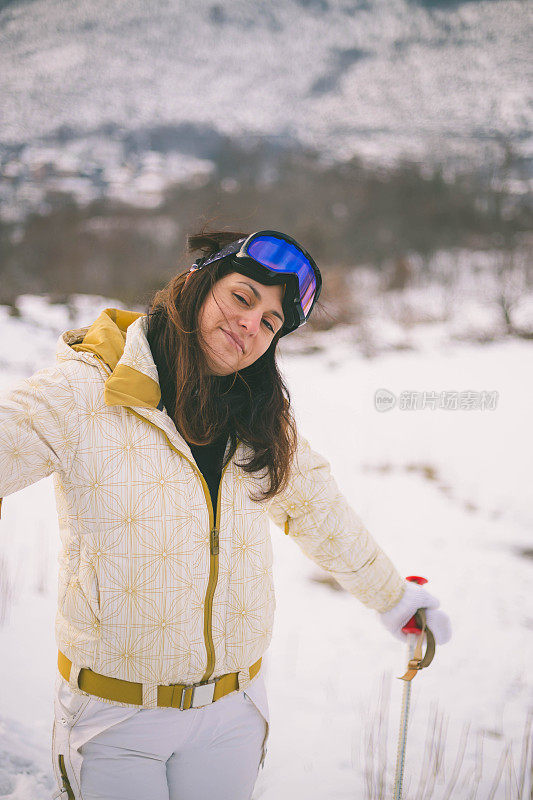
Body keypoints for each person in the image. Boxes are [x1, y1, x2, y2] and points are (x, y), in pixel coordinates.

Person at [0, 228, 451, 800]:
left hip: (232, 713)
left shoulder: (258, 422)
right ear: (198, 282)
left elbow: (321, 513)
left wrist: (396, 599)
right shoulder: (87, 392)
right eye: (243, 297)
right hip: (116, 718)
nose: (251, 325)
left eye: (270, 322)